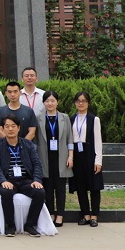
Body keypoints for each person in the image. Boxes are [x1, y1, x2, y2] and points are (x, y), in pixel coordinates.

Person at [0, 115, 45, 237]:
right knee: (6, 192)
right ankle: (10, 225)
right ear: (3, 129)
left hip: (25, 179)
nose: (10, 129)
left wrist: (37, 180)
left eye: (13, 126)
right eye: (7, 126)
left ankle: (30, 225)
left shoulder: (27, 144)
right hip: (7, 179)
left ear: (19, 128)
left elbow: (37, 163)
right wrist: (2, 180)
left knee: (40, 192)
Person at [35, 91, 73, 227]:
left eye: (52, 101)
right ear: (43, 103)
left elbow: (70, 138)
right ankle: (50, 214)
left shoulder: (64, 117)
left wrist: (71, 156)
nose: (50, 103)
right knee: (48, 188)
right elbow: (36, 140)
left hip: (61, 157)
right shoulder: (39, 118)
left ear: (58, 102)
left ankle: (60, 215)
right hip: (45, 157)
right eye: (47, 101)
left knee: (61, 188)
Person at [70, 92, 104, 227]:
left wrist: (98, 160)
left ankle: (94, 215)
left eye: (83, 101)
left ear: (88, 103)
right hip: (77, 155)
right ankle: (85, 214)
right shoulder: (71, 119)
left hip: (90, 154)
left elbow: (98, 141)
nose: (81, 103)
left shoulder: (94, 119)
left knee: (94, 186)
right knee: (80, 186)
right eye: (78, 101)